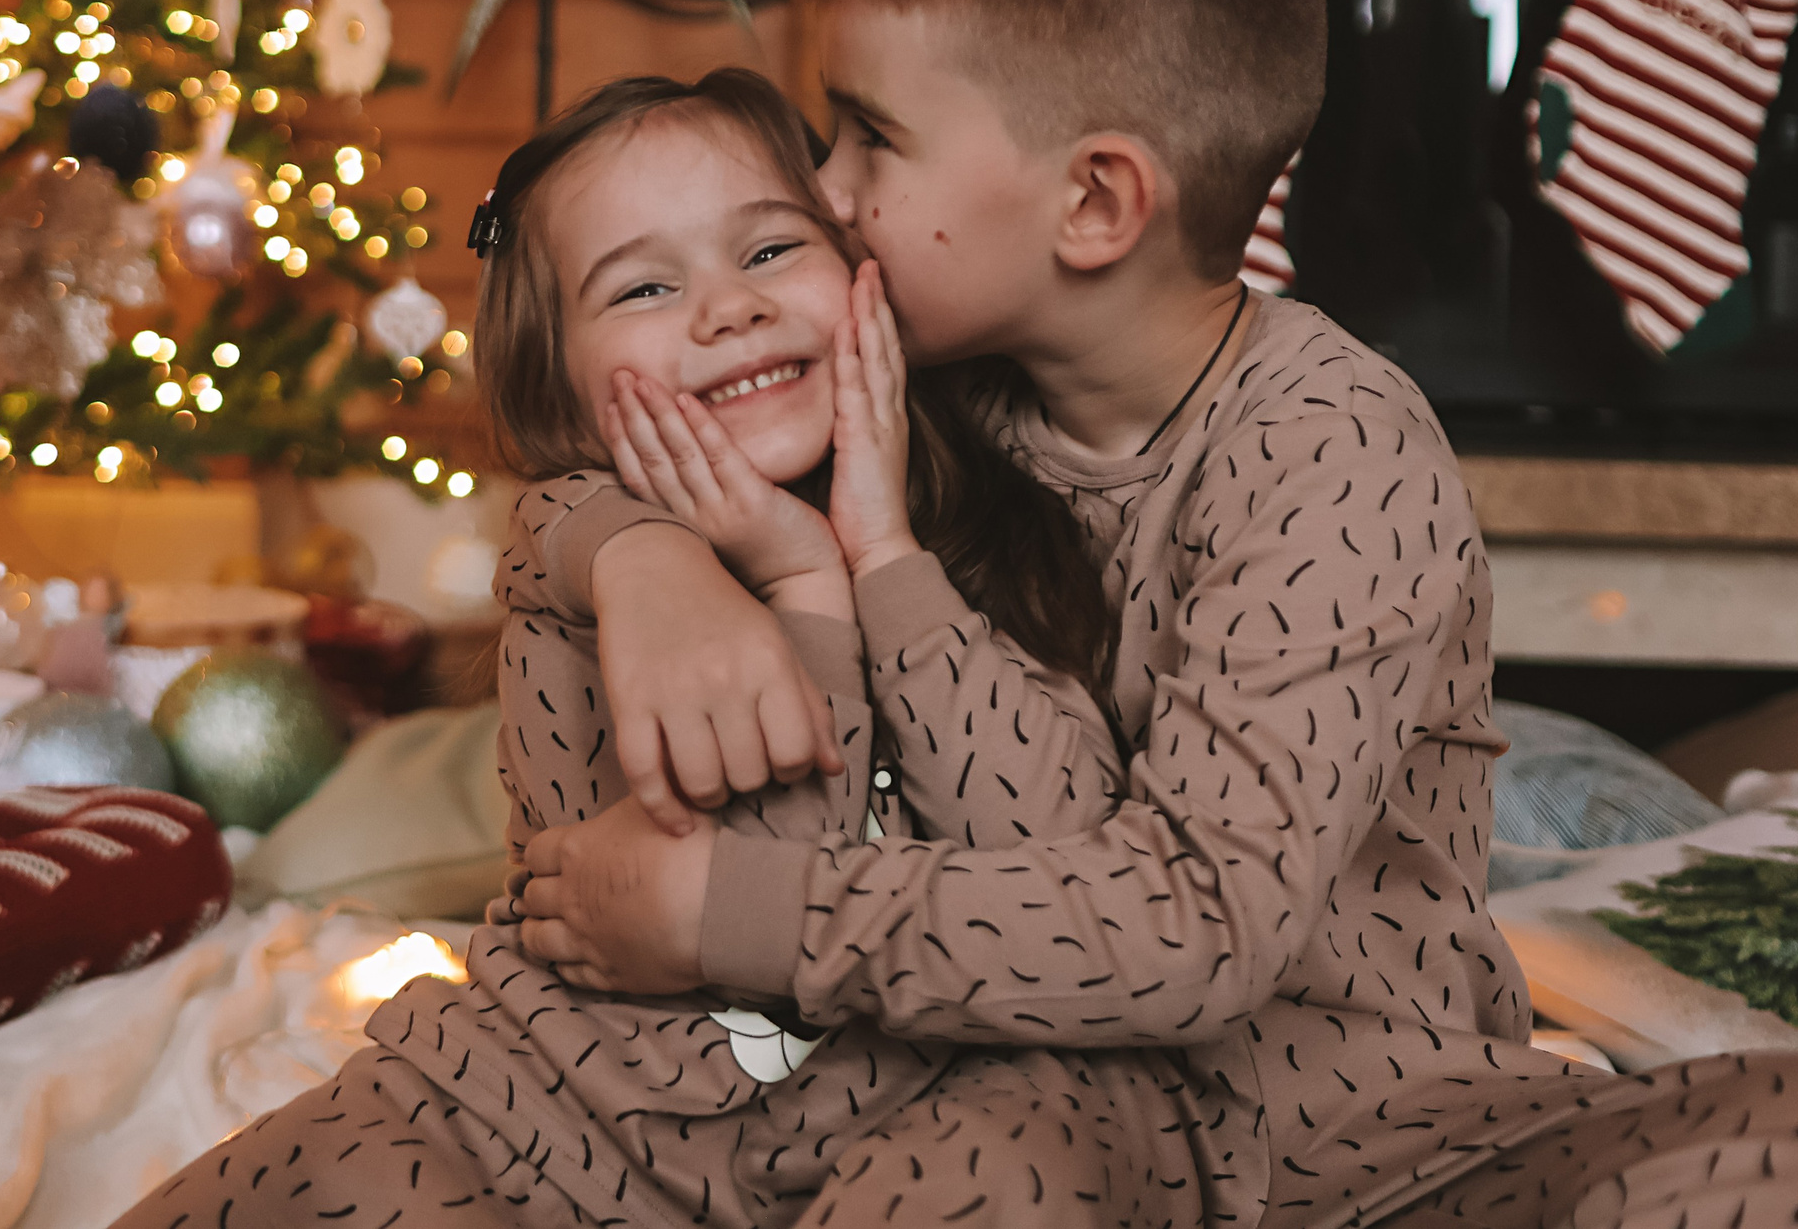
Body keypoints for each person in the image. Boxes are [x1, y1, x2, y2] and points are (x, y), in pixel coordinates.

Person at [512, 0, 1798, 1228]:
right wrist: (639, 557)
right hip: (1023, 1108)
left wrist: (723, 913)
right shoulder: (916, 385)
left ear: (1097, 203)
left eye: (870, 136)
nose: (823, 188)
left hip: (1370, 1135)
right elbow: (629, 437)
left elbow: (1194, 926)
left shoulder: (1332, 446)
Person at [107, 68, 1127, 1229]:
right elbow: (768, 837)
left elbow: (1065, 855)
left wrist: (872, 554)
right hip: (545, 1116)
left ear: (865, 274)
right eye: (645, 284)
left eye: (770, 250)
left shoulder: (991, 532)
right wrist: (784, 571)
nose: (727, 309)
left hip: (883, 1134)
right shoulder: (574, 557)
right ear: (567, 395)